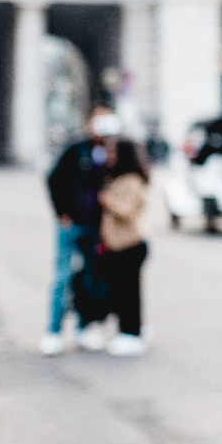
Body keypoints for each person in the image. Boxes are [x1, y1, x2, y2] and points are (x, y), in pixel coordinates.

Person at [42, 106, 119, 356]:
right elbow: (54, 178)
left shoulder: (111, 153)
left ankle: (84, 327)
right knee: (62, 278)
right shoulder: (76, 150)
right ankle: (53, 331)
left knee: (89, 277)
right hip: (71, 223)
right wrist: (61, 212)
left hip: (95, 226)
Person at [91, 138, 151, 356]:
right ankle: (128, 330)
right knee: (122, 291)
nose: (109, 157)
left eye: (113, 153)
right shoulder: (116, 178)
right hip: (116, 245)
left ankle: (131, 333)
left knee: (129, 293)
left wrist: (108, 202)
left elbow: (127, 212)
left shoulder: (132, 180)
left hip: (130, 244)